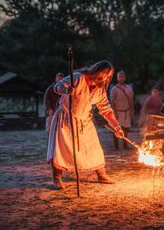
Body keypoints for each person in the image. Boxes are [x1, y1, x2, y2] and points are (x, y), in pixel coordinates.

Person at [47, 60, 124, 189]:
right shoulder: (78, 78)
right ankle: (57, 179)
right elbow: (57, 87)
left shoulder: (100, 89)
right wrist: (66, 90)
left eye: (108, 75)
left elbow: (106, 109)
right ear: (97, 70)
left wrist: (116, 127)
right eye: (105, 73)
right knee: (60, 150)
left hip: (85, 121)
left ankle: (101, 175)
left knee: (94, 148)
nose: (106, 77)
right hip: (66, 119)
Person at [110, 71, 134, 150]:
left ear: (125, 77)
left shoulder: (129, 88)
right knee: (116, 129)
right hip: (118, 112)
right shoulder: (114, 89)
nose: (121, 78)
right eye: (120, 77)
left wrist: (132, 110)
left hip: (126, 111)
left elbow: (131, 100)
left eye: (123, 76)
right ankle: (116, 146)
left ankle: (125, 145)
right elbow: (112, 101)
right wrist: (114, 112)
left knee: (125, 129)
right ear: (117, 78)